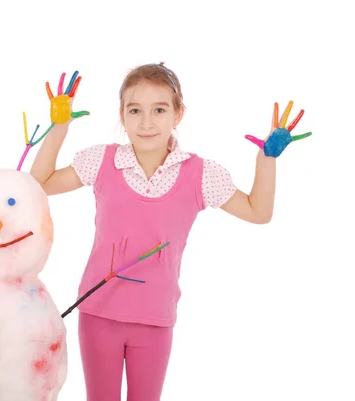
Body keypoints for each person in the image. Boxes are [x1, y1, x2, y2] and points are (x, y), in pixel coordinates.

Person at [29, 63, 277, 401]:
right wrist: (60, 127)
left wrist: (267, 159)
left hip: (155, 318)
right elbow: (39, 184)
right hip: (98, 312)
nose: (147, 122)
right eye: (135, 110)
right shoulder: (103, 160)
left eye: (159, 110)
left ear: (178, 113)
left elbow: (258, 212)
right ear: (122, 115)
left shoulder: (201, 174)